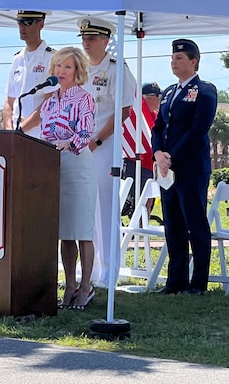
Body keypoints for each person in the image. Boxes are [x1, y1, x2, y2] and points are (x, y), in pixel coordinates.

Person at [151, 39, 217, 295]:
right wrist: (158, 153)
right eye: (172, 57)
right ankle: (175, 280)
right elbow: (159, 127)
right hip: (167, 168)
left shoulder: (205, 90)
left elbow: (198, 130)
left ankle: (198, 282)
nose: (174, 61)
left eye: (179, 58)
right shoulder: (168, 92)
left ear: (193, 61)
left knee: (195, 223)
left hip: (190, 167)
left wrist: (170, 156)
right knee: (173, 224)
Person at [78, 16, 137, 288]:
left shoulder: (116, 69)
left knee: (105, 208)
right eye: (84, 38)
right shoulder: (79, 69)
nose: (86, 43)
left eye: (91, 38)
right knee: (84, 210)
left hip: (104, 146)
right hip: (78, 146)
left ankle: (109, 271)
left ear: (106, 40)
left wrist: (97, 141)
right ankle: (88, 269)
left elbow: (123, 110)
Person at [39, 47, 97, 310]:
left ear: (78, 72)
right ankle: (70, 284)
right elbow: (43, 131)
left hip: (78, 165)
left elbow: (87, 133)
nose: (61, 72)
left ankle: (87, 287)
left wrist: (68, 143)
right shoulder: (49, 100)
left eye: (68, 67)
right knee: (65, 234)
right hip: (54, 168)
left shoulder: (85, 99)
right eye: (58, 66)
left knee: (82, 231)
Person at [3, 10, 57, 138]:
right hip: (15, 134)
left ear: (41, 24)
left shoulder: (52, 58)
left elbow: (49, 102)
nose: (22, 27)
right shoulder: (18, 59)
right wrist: (9, 129)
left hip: (39, 134)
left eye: (28, 22)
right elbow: (9, 101)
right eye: (19, 22)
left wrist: (21, 129)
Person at [122, 82, 162, 217]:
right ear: (151, 97)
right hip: (136, 163)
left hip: (150, 167)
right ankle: (135, 229)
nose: (160, 100)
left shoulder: (156, 115)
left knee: (147, 202)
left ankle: (141, 228)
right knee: (136, 201)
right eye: (159, 97)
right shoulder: (138, 113)